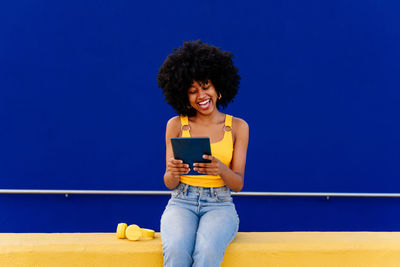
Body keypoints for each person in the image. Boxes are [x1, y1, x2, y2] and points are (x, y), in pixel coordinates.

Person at [157, 40, 249, 267]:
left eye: (206, 85)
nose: (201, 95)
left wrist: (221, 169)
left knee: (206, 253)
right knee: (177, 251)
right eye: (192, 91)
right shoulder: (175, 125)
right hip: (181, 202)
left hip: (220, 204)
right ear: (184, 97)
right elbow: (169, 183)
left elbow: (237, 184)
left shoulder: (238, 127)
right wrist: (173, 171)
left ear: (218, 87)